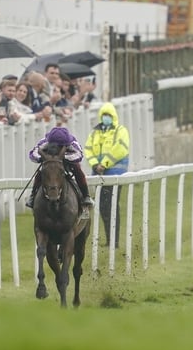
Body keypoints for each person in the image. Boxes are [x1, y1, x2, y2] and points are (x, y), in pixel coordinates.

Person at [84, 102, 131, 247]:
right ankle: (110, 240)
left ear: (114, 116)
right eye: (104, 115)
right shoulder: (95, 132)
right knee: (103, 207)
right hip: (98, 175)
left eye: (109, 115)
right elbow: (88, 149)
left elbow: (120, 149)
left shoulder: (120, 130)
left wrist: (104, 164)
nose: (106, 118)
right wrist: (94, 165)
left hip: (115, 174)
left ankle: (114, 241)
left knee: (112, 206)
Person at [26, 127, 94, 217]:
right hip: (50, 160)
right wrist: (44, 157)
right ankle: (33, 195)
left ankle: (86, 196)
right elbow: (33, 154)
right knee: (41, 172)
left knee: (78, 170)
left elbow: (79, 155)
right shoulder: (44, 142)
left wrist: (63, 157)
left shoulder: (72, 142)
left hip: (68, 161)